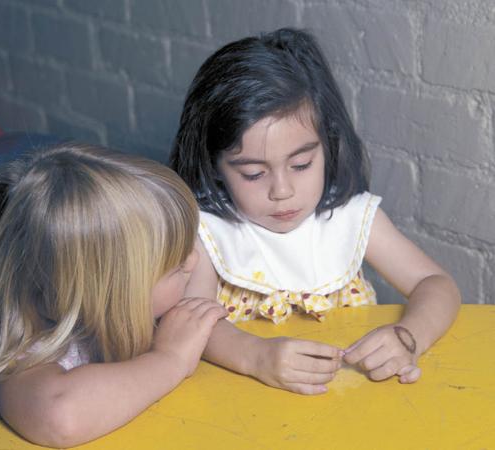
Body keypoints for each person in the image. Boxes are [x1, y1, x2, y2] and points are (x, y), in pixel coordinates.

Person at [170, 27, 461, 395]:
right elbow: (190, 321)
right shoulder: (209, 232)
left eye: (302, 164)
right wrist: (255, 356)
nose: (282, 191)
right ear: (214, 165)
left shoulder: (350, 218)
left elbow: (437, 285)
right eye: (253, 173)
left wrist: (409, 337)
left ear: (329, 146)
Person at [0, 143, 227, 447]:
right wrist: (170, 359)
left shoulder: (110, 299)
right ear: (114, 289)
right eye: (176, 266)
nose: (193, 261)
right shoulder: (16, 332)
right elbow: (60, 417)